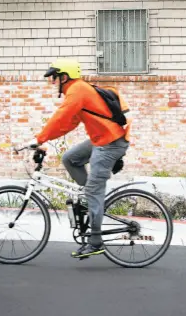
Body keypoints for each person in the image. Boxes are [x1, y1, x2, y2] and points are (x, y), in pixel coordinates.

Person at [24, 58, 131, 259]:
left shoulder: (78, 90)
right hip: (102, 140)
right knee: (70, 158)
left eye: (55, 78)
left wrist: (39, 138)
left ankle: (96, 241)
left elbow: (61, 116)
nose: (53, 83)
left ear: (65, 77)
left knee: (93, 189)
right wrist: (43, 140)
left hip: (110, 143)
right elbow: (68, 123)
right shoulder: (78, 91)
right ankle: (90, 199)